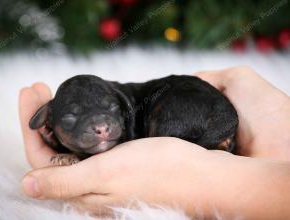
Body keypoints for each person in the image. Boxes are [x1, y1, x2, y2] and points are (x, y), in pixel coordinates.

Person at [19, 66, 290, 219]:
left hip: (195, 107)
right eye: (69, 119)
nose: (101, 127)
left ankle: (212, 147)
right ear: (48, 125)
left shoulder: (138, 104)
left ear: (121, 103)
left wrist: (214, 181)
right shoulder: (53, 124)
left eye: (108, 110)